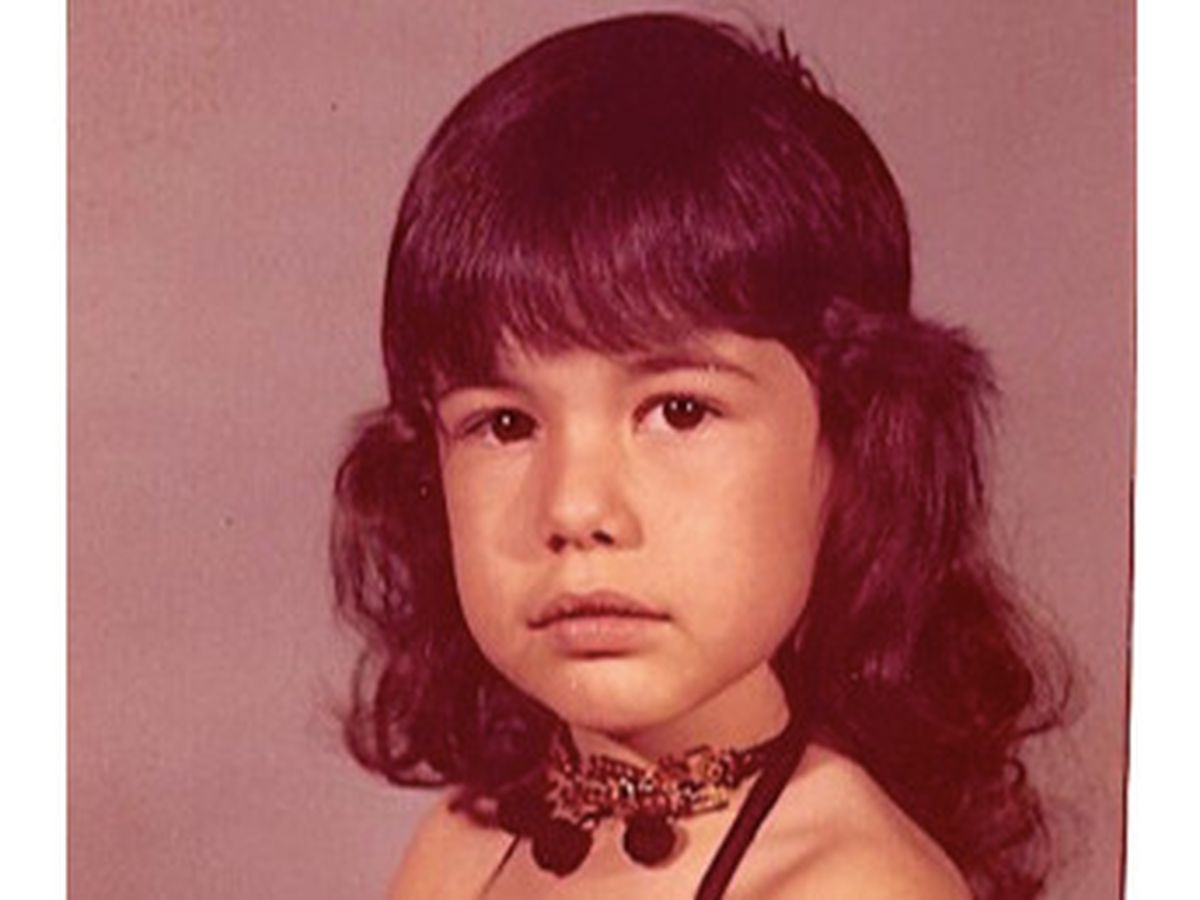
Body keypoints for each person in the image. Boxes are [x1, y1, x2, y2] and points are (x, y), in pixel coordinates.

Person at [331, 12, 1067, 899]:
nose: (575, 510)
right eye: (506, 425)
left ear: (851, 449)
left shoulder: (855, 885)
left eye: (679, 411)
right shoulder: (462, 847)